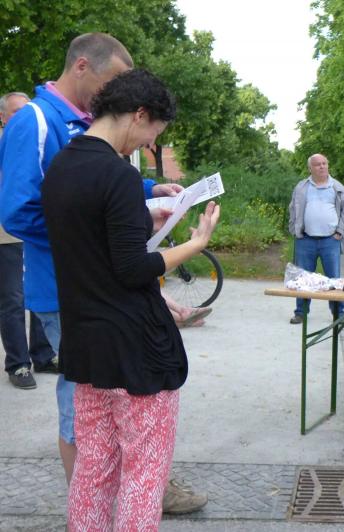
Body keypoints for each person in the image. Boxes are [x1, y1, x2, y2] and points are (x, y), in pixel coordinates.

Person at [0, 32, 206, 514]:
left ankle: (102, 505)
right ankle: (124, 499)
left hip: (92, 289)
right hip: (73, 289)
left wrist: (142, 198)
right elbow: (20, 211)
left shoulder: (81, 134)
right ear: (82, 67)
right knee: (90, 421)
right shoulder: (35, 120)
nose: (115, 93)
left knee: (99, 428)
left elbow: (90, 196)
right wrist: (104, 239)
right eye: (112, 81)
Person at [41, 68, 221, 531]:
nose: (149, 143)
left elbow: (93, 248)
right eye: (153, 133)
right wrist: (195, 244)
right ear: (139, 114)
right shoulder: (117, 174)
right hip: (136, 350)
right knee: (143, 476)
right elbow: (132, 268)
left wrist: (142, 220)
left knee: (93, 471)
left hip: (86, 348)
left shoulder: (61, 167)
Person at [0, 91, 58, 389]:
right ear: (2, 117)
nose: (22, 116)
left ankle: (44, 355)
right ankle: (18, 364)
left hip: (36, 231)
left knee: (38, 295)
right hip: (6, 235)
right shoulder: (8, 142)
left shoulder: (37, 137)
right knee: (12, 299)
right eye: (15, 111)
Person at [287, 153, 344, 323]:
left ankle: (338, 313)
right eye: (317, 164)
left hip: (330, 241)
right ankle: (301, 312)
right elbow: (293, 209)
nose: (322, 166)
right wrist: (295, 231)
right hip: (305, 240)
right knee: (303, 279)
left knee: (334, 279)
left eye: (324, 163)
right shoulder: (302, 187)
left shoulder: (337, 187)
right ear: (310, 168)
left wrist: (339, 232)